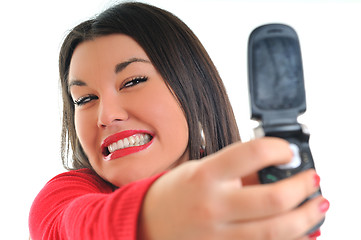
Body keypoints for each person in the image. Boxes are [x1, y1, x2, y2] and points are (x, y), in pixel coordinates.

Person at [29, 2, 329, 239]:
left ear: (192, 87)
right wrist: (154, 216)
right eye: (84, 99)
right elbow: (68, 227)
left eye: (132, 81)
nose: (106, 115)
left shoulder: (255, 193)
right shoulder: (60, 199)